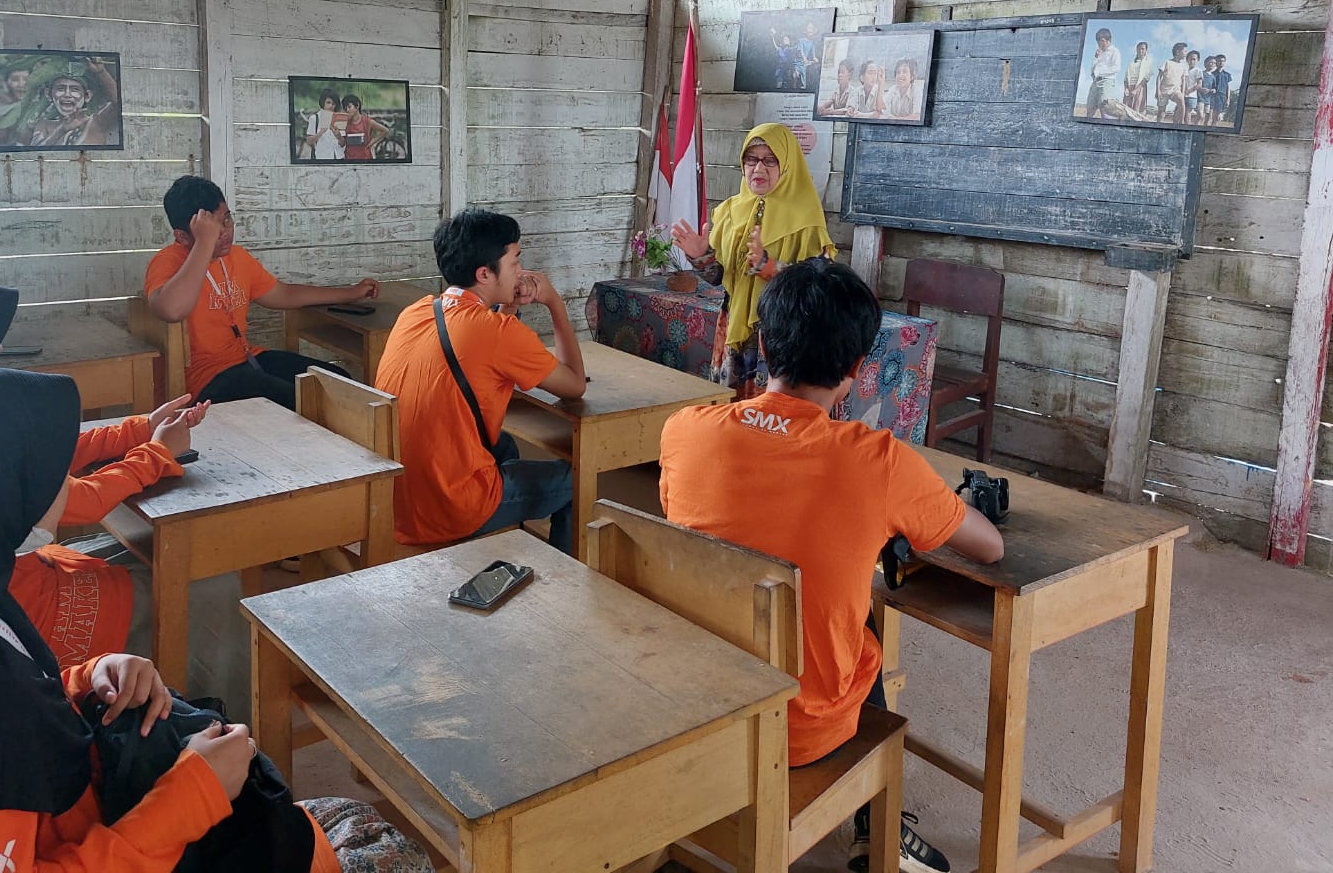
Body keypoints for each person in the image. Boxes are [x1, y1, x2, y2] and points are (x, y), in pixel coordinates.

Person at [0, 366, 430, 873]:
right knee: (387, 848)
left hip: (94, 812)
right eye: (46, 469)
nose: (62, 480)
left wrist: (88, 676)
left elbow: (20, 706)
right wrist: (192, 796)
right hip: (132, 836)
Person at [659, 259, 1004, 873]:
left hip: (689, 700)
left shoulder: (686, 430)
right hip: (797, 730)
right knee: (859, 630)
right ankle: (880, 831)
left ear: (764, 343)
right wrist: (949, 506)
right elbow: (987, 548)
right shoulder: (876, 461)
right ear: (856, 369)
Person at [0, 270, 206, 665]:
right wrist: (158, 453)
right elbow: (84, 501)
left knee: (145, 555)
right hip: (17, 615)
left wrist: (140, 428)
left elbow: (38, 454)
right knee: (195, 584)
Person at [375, 209, 585, 552]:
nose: (521, 272)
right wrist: (554, 302)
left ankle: (498, 552)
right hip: (445, 508)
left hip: (396, 497)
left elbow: (478, 348)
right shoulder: (499, 334)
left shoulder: (417, 311)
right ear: (485, 273)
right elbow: (575, 385)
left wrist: (510, 308)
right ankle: (559, 592)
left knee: (503, 446)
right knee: (576, 482)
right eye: (515, 261)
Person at [144, 176, 378, 408]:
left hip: (247, 359)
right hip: (205, 379)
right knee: (298, 401)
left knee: (338, 380)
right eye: (211, 228)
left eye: (226, 220)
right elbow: (172, 310)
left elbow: (283, 294)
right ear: (182, 236)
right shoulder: (168, 261)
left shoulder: (236, 257)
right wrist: (205, 244)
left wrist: (350, 293)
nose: (224, 232)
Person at [670, 124, 833, 400]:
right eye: (751, 159)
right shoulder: (729, 210)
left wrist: (769, 267)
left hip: (781, 331)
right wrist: (701, 257)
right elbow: (721, 276)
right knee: (729, 412)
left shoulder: (807, 219)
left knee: (767, 417)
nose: (758, 168)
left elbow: (821, 285)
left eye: (770, 160)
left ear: (787, 165)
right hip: (733, 328)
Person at [27, 57, 122, 148]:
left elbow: (120, 103)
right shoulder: (44, 126)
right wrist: (61, 130)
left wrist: (101, 72)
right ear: (48, 94)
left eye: (75, 89)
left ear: (87, 96)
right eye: (61, 88)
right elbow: (35, 156)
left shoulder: (97, 122)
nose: (67, 94)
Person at [340, 93, 390, 161]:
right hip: (349, 158)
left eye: (349, 107)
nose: (347, 110)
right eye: (345, 108)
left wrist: (372, 142)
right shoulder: (345, 122)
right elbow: (342, 143)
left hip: (365, 158)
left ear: (357, 105)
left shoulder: (367, 121)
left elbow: (385, 130)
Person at [1084, 27, 1121, 118]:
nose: (1099, 44)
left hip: (1106, 82)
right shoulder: (1098, 52)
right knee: (1090, 108)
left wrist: (1100, 72)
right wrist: (1096, 58)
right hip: (1095, 82)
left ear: (1108, 40)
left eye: (1101, 41)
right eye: (1098, 41)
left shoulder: (1115, 51)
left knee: (1105, 111)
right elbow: (1092, 70)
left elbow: (1116, 68)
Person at [1155, 42, 1187, 124]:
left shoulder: (1184, 66)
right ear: (1177, 52)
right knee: (1161, 113)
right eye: (1184, 51)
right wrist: (1158, 91)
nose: (1186, 54)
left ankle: (1180, 123)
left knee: (1181, 101)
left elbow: (1184, 80)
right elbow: (1159, 77)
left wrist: (1182, 93)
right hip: (1164, 90)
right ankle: (1159, 128)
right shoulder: (1167, 62)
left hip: (1175, 90)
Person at [1122, 40, 1153, 117]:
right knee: (1126, 110)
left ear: (1146, 50)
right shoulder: (1131, 63)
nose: (1141, 51)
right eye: (1139, 49)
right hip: (1129, 87)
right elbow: (1126, 78)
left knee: (1137, 110)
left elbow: (1146, 78)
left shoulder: (1148, 62)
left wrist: (1136, 90)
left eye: (1143, 49)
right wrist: (1126, 88)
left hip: (1140, 87)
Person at [796, 22, 823, 92]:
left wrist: (815, 59)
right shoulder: (801, 40)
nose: (811, 30)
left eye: (812, 28)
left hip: (805, 64)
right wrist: (805, 59)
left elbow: (813, 55)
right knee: (797, 75)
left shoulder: (812, 43)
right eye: (809, 28)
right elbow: (801, 51)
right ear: (804, 31)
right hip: (798, 63)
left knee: (806, 77)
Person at [1182, 49, 1204, 125]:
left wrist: (1189, 91)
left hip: (1191, 96)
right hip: (1183, 95)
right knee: (1181, 113)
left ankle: (1187, 129)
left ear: (1197, 60)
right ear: (1187, 60)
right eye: (1190, 59)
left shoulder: (1198, 70)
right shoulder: (1185, 70)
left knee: (1187, 113)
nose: (1192, 61)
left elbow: (1199, 84)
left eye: (1194, 59)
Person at [1212, 53, 1234, 124]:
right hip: (1212, 96)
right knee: (1210, 114)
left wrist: (1228, 99)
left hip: (1222, 96)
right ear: (1216, 62)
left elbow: (1228, 87)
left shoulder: (1227, 74)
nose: (1221, 62)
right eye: (1219, 61)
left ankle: (1213, 128)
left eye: (1223, 61)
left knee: (1217, 115)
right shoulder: (1212, 73)